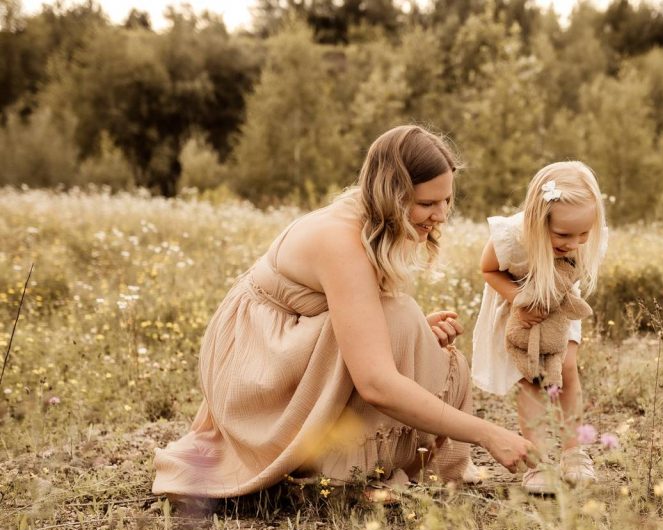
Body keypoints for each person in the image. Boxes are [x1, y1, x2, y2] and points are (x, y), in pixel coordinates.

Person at [153, 125, 535, 500]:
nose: (441, 215)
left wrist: (414, 329)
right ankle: (339, 471)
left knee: (404, 321)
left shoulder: (369, 220)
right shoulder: (341, 240)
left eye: (446, 200)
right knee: (398, 319)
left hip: (293, 341)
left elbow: (368, 315)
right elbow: (376, 384)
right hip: (258, 364)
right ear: (392, 195)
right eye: (426, 203)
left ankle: (354, 462)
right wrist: (487, 432)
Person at [472, 161, 608, 494]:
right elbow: (488, 270)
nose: (574, 243)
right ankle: (539, 462)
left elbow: (573, 271)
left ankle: (573, 450)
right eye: (563, 235)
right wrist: (520, 300)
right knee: (531, 380)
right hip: (521, 310)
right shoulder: (512, 236)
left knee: (566, 368)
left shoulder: (582, 237)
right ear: (536, 220)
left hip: (559, 309)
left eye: (583, 235)